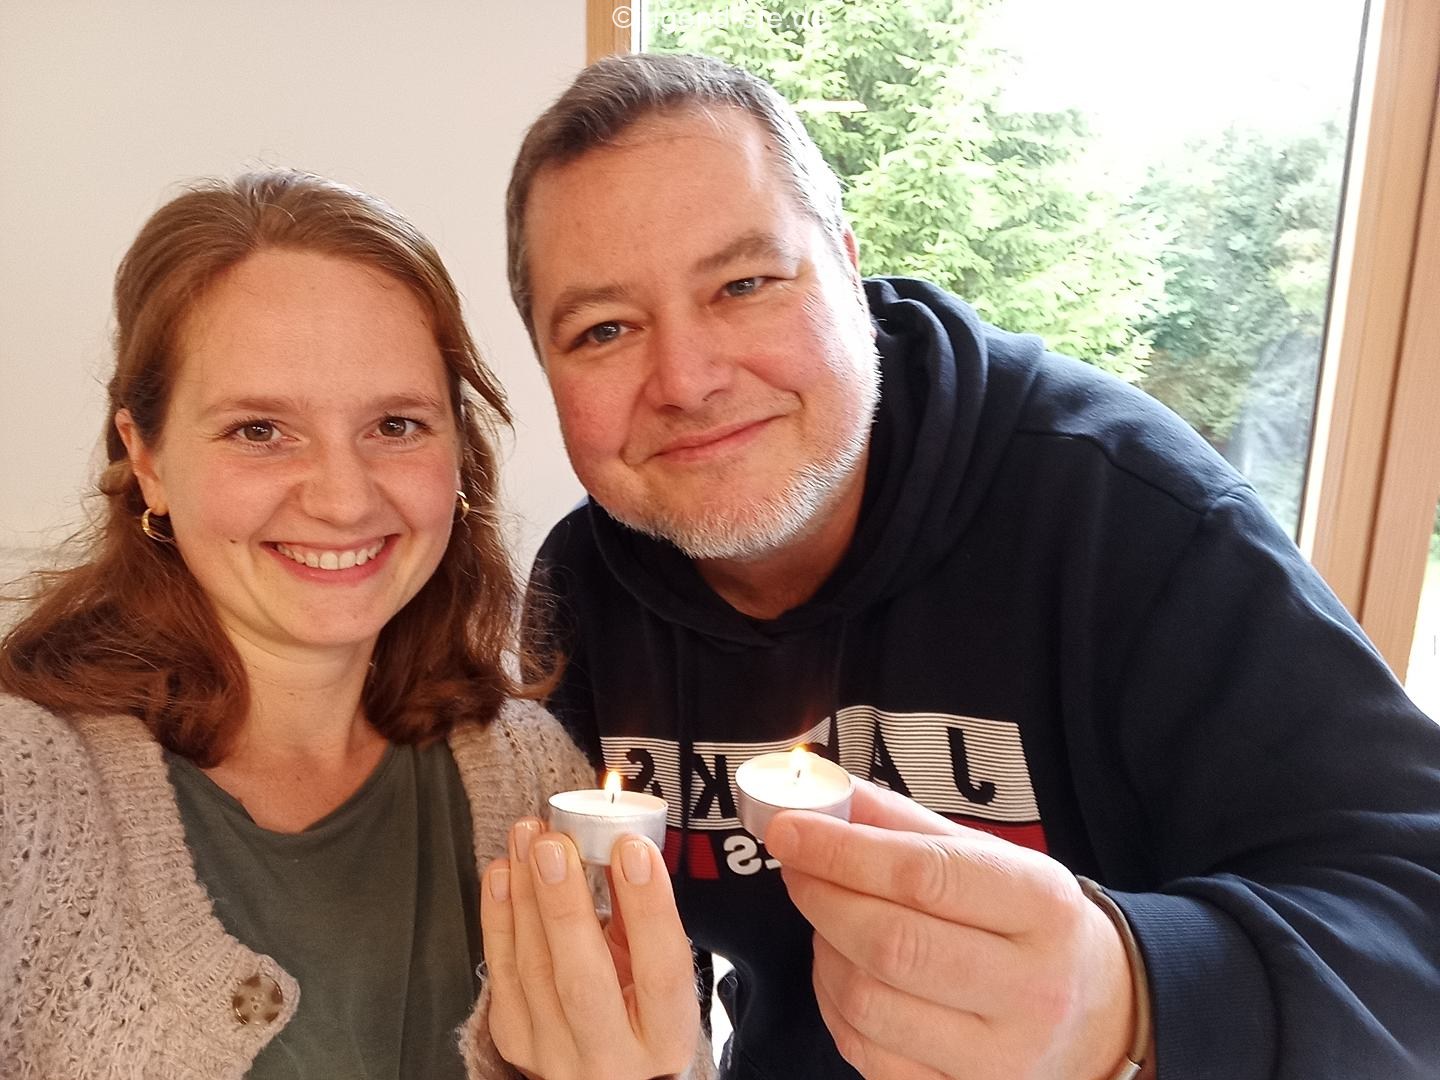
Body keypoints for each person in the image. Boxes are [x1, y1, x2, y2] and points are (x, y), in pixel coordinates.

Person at [507, 52, 1440, 1080]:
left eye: (744, 284)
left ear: (848, 270)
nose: (686, 380)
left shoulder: (1127, 515)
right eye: (604, 329)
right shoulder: (585, 589)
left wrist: (1129, 995)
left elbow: (1414, 907)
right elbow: (627, 962)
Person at [0, 169, 702, 1080]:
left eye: (396, 425)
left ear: (458, 450)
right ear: (148, 461)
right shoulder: (25, 792)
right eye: (260, 430)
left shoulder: (539, 776)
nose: (343, 498)